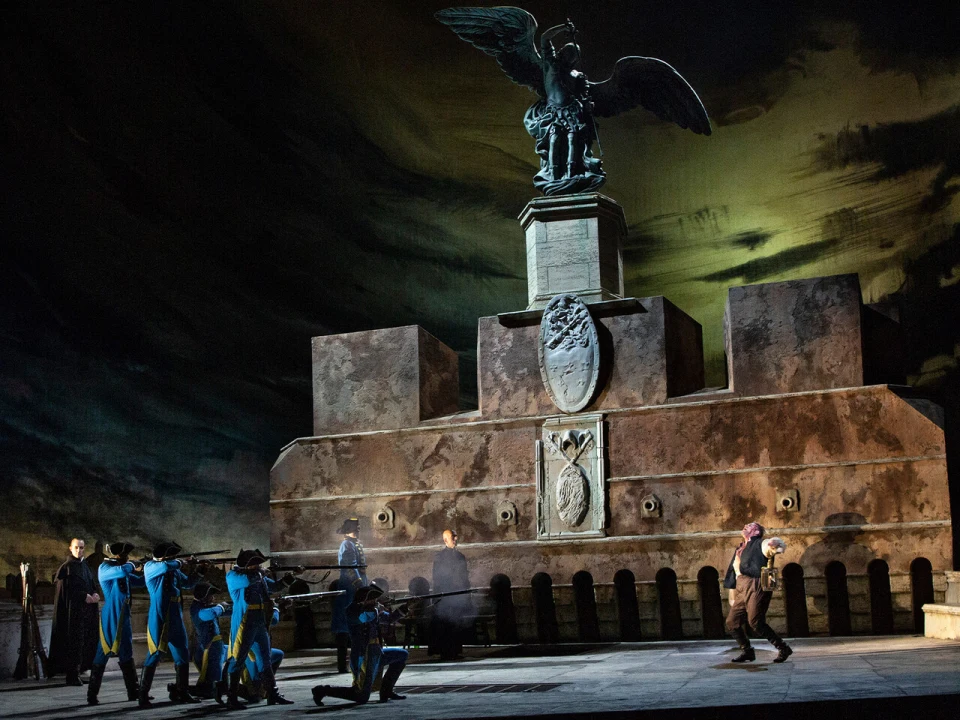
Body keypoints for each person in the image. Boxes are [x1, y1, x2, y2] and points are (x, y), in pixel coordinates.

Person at [223, 548, 299, 709]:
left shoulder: (258, 576)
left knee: (265, 659)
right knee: (238, 659)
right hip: (244, 621)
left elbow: (276, 587)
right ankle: (232, 697)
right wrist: (261, 573)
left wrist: (293, 575)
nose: (257, 566)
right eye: (255, 564)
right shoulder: (234, 576)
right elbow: (249, 580)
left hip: (259, 621)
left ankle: (273, 693)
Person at [312, 584, 408, 706]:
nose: (375, 601)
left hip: (377, 651)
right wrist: (377, 609)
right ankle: (322, 690)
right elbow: (363, 618)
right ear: (364, 599)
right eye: (373, 599)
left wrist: (406, 607)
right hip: (363, 656)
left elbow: (389, 619)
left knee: (402, 655)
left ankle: (386, 691)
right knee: (361, 696)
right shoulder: (352, 610)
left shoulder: (373, 610)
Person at [139, 540, 202, 707]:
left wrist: (199, 571)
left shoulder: (172, 569)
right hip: (159, 615)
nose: (174, 558)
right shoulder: (151, 566)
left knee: (182, 653)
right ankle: (142, 695)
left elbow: (188, 583)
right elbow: (167, 567)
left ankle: (182, 692)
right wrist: (181, 562)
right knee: (155, 653)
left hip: (175, 615)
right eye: (171, 555)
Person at [724, 522, 793, 663]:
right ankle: (747, 651)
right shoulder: (741, 547)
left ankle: (783, 647)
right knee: (732, 621)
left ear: (756, 533)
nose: (745, 526)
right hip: (742, 586)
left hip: (757, 583)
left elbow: (773, 546)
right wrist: (732, 595)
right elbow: (733, 572)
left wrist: (776, 544)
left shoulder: (760, 543)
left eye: (750, 526)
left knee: (755, 622)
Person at [86, 542, 145, 705]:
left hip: (124, 616)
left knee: (127, 652)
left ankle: (133, 692)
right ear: (117, 556)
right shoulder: (106, 568)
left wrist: (148, 569)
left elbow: (140, 581)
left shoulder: (122, 569)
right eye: (124, 556)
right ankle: (92, 695)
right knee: (103, 651)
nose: (126, 558)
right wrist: (133, 564)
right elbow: (122, 570)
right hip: (111, 616)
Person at [49, 537, 100, 686]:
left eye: (82, 548)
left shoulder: (85, 566)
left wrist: (95, 594)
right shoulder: (67, 568)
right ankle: (71, 675)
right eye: (76, 547)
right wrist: (84, 596)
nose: (79, 550)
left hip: (86, 612)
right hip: (72, 613)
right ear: (70, 548)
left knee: (84, 642)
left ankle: (79, 671)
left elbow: (91, 584)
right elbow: (67, 591)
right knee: (73, 642)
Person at [332, 517, 368, 674]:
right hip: (350, 590)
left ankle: (359, 660)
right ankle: (342, 664)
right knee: (345, 626)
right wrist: (359, 585)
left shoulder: (356, 544)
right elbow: (349, 567)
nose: (358, 529)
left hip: (358, 588)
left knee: (358, 625)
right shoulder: (347, 545)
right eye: (355, 527)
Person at [431, 529, 472, 660]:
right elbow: (437, 577)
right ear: (445, 540)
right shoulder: (439, 557)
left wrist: (466, 591)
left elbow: (464, 576)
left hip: (458, 594)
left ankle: (455, 650)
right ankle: (445, 651)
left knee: (456, 622)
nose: (455, 539)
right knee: (445, 622)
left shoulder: (460, 556)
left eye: (455, 536)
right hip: (445, 595)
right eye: (452, 537)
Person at [189, 581, 231, 699]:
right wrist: (221, 607)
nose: (213, 597)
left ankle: (224, 685)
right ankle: (216, 688)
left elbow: (222, 612)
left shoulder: (206, 607)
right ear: (203, 595)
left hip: (217, 646)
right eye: (210, 594)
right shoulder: (197, 609)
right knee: (214, 675)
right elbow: (209, 614)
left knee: (234, 655)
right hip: (209, 647)